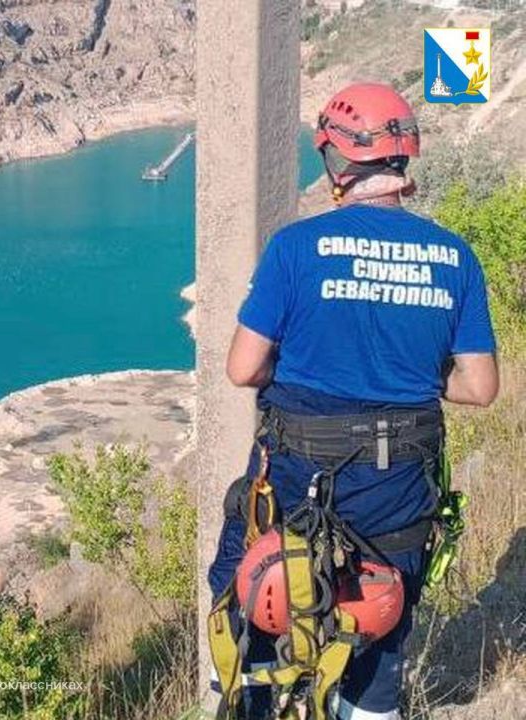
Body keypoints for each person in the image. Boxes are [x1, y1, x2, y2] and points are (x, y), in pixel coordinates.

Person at [208, 82, 499, 719]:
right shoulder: (455, 257)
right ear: (403, 162)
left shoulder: (295, 248)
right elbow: (479, 387)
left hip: (297, 482)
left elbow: (242, 368)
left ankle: (238, 695)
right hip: (401, 490)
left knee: (244, 584)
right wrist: (418, 371)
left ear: (335, 160)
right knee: (379, 621)